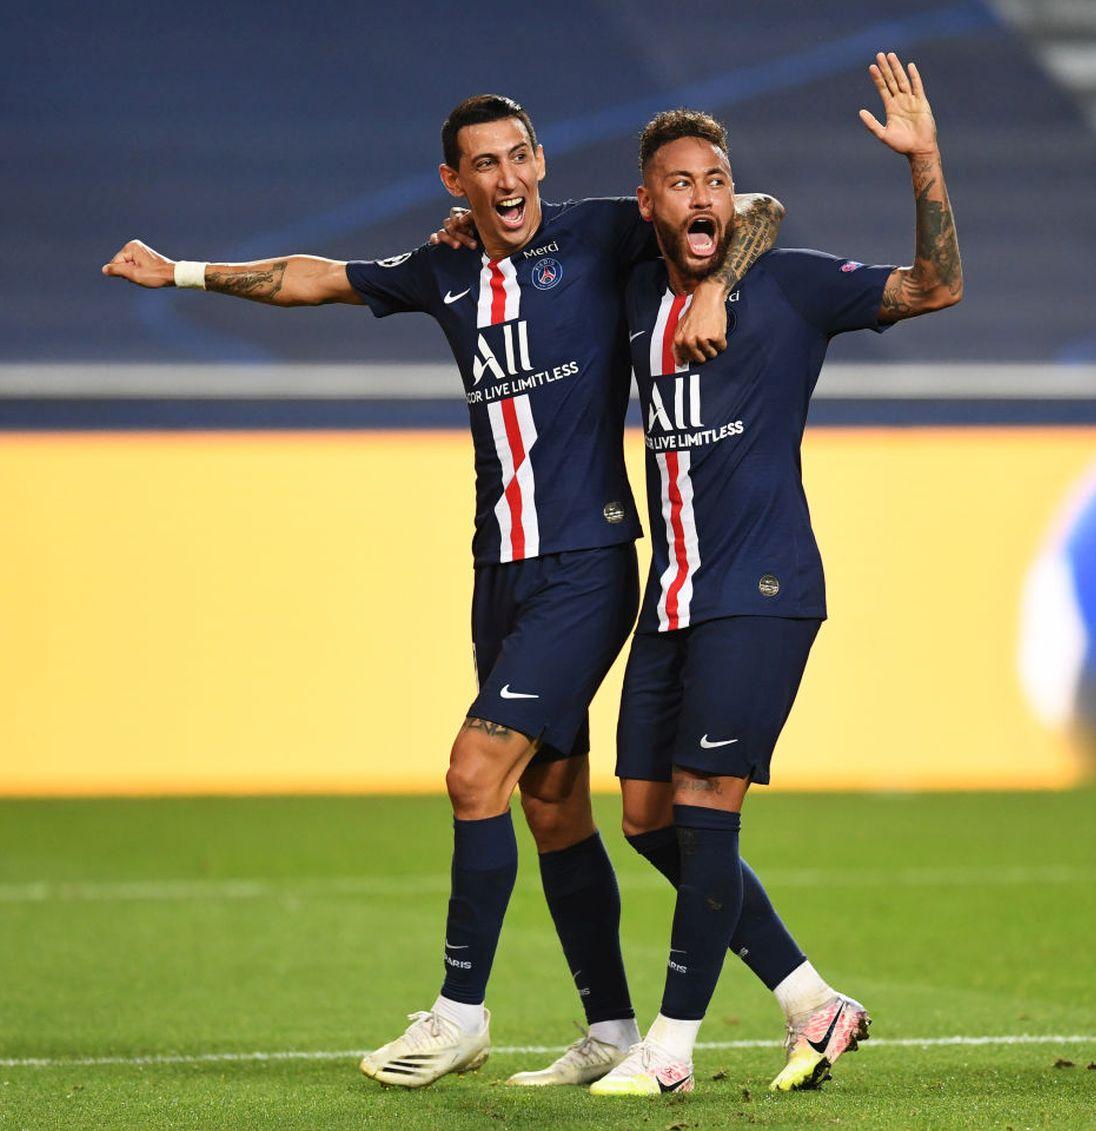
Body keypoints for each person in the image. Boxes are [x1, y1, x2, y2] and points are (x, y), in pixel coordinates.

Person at [101, 94, 783, 1089]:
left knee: (475, 774)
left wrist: (716, 282)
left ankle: (460, 1013)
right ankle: (610, 1028)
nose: (506, 180)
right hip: (497, 573)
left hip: (586, 565)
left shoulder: (600, 232)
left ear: (541, 161)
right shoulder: (446, 266)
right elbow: (316, 279)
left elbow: (748, 206)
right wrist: (182, 272)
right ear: (453, 182)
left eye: (518, 158)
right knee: (551, 807)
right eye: (484, 165)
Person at [589, 53, 963, 1097]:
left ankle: (670, 1051)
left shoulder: (792, 286)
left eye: (716, 179)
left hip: (760, 589)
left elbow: (938, 286)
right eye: (680, 182)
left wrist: (924, 163)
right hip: (672, 596)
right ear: (647, 203)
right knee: (648, 818)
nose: (703, 195)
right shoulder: (629, 293)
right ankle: (813, 1002)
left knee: (711, 804)